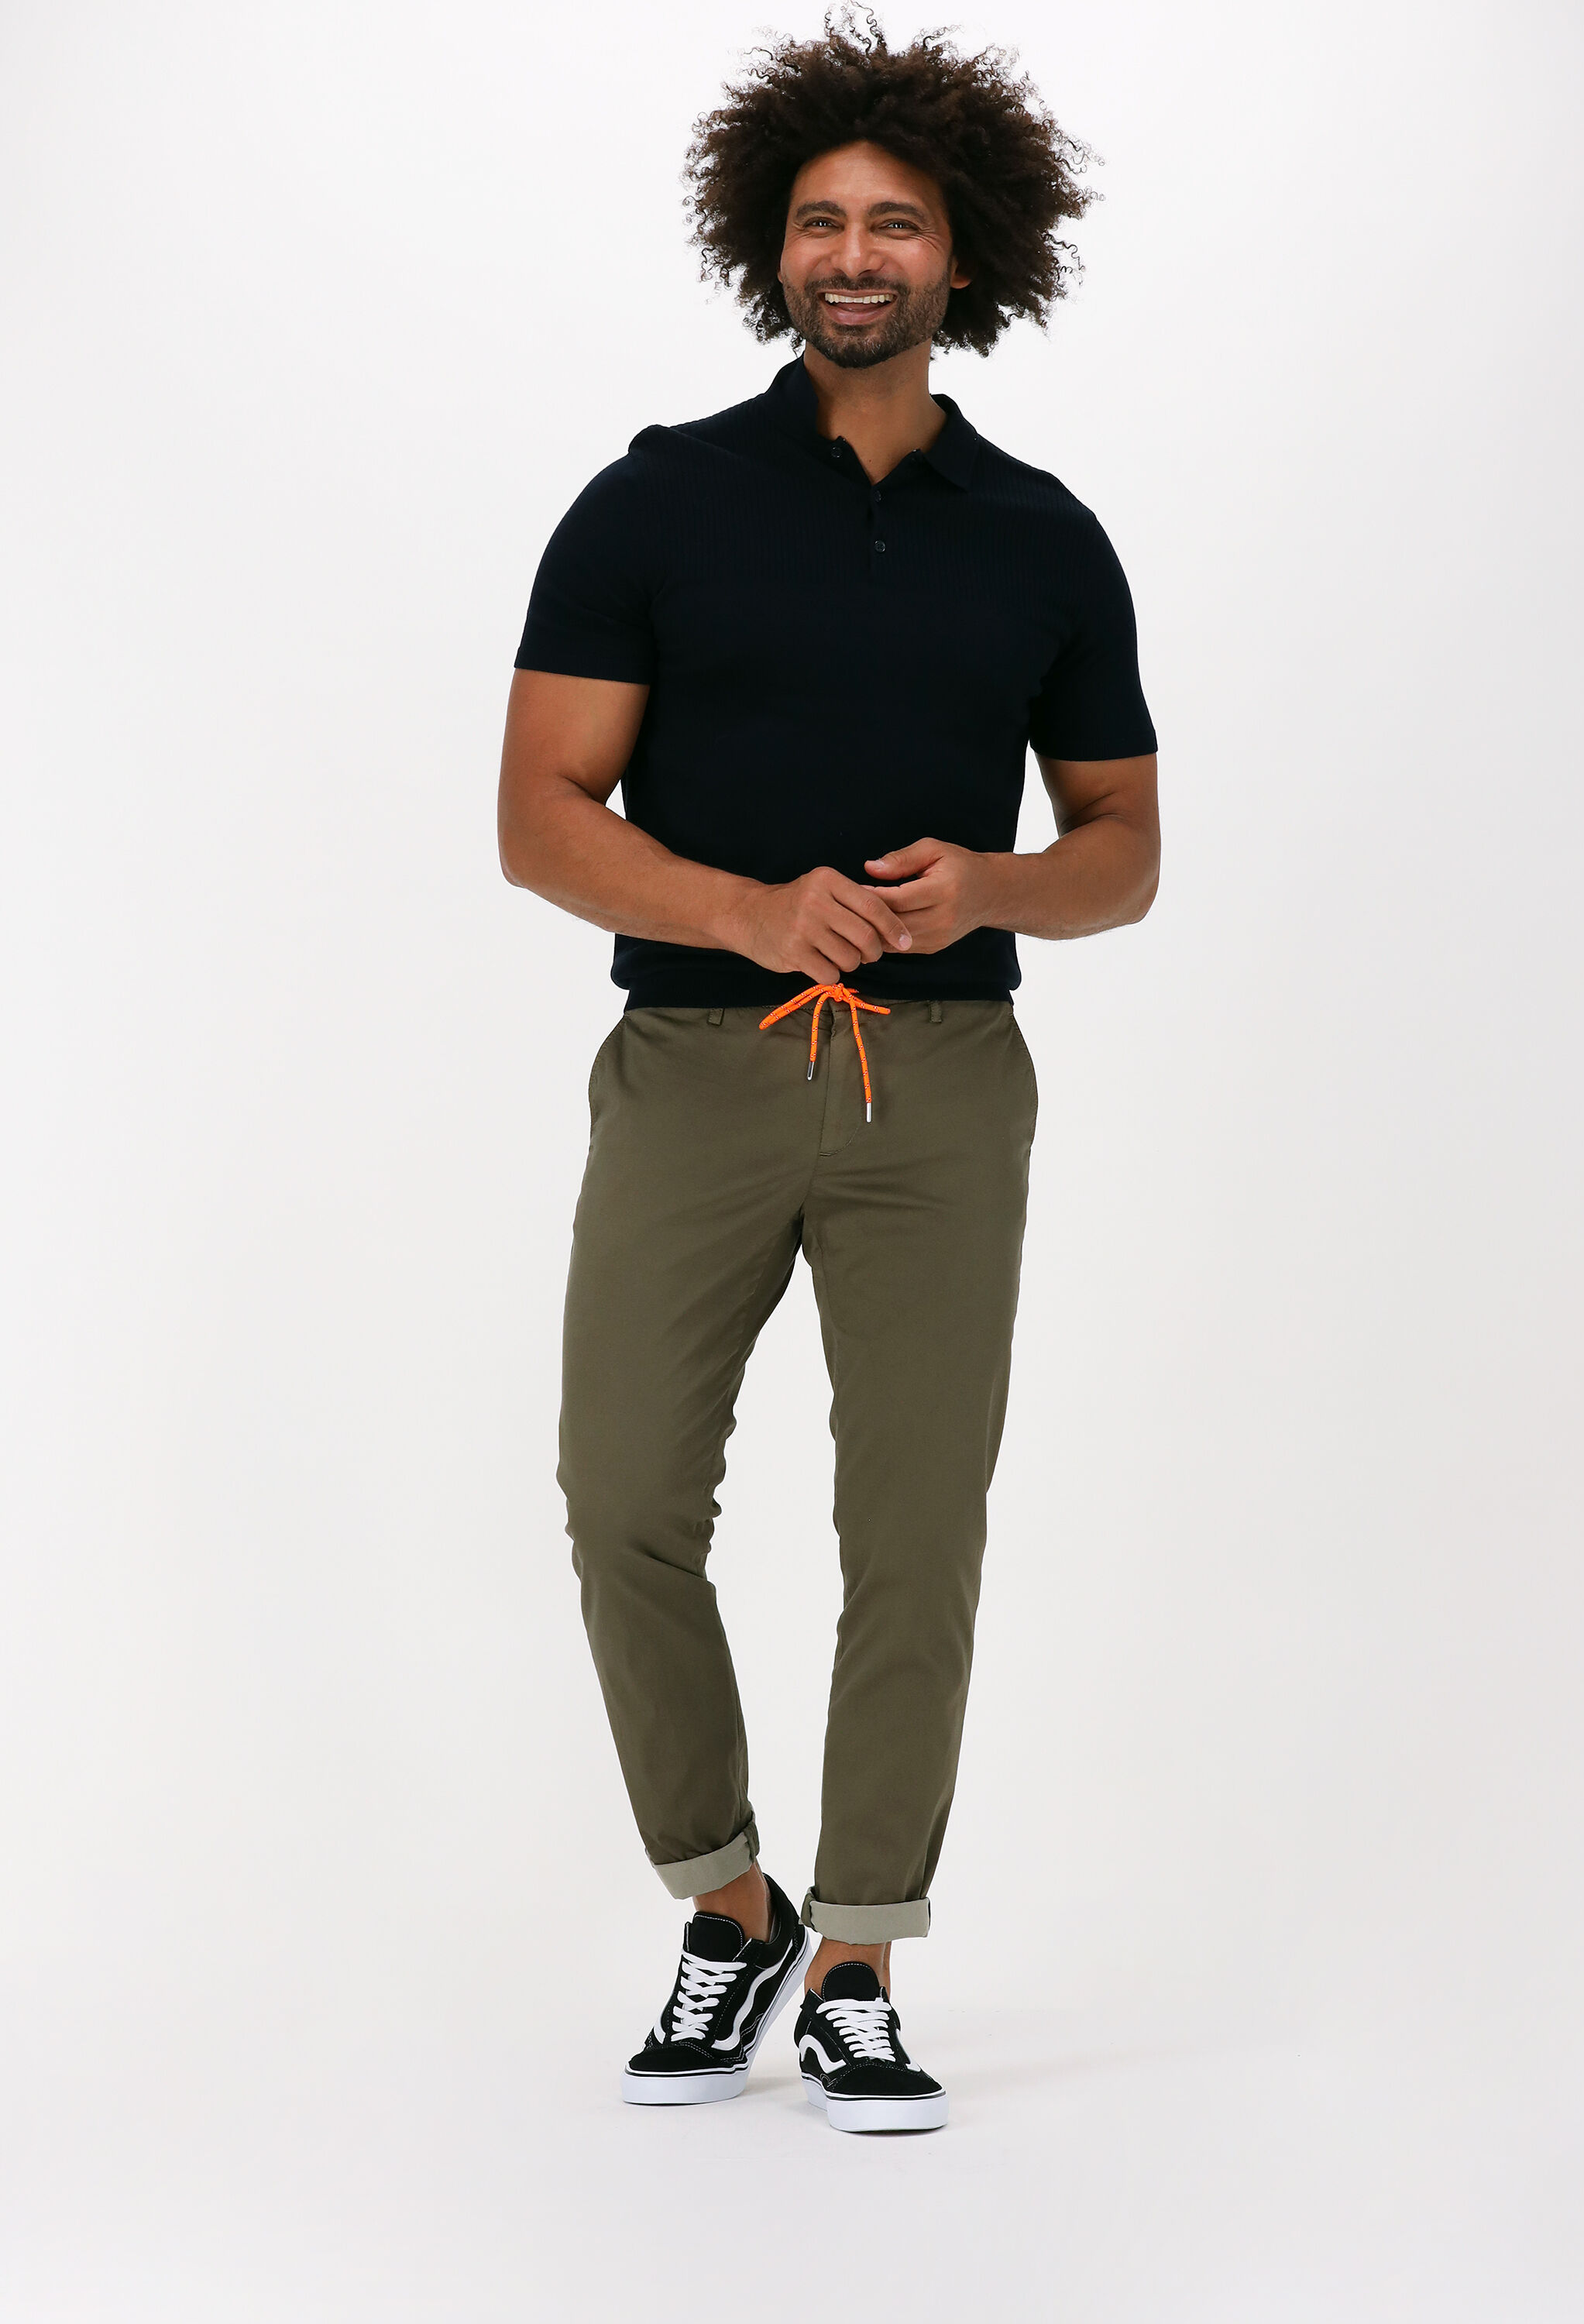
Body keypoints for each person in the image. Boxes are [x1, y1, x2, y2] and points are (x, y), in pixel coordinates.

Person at [497, 16, 1159, 2135]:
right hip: (694, 1063)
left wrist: (994, 883)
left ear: (964, 257)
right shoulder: (655, 501)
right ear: (766, 248)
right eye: (818, 221)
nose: (852, 254)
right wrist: (744, 910)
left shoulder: (1041, 537)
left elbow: (1125, 851)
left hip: (943, 1082)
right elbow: (537, 816)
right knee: (621, 1499)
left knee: (915, 1530)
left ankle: (861, 1951)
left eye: (893, 223)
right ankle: (731, 1904)